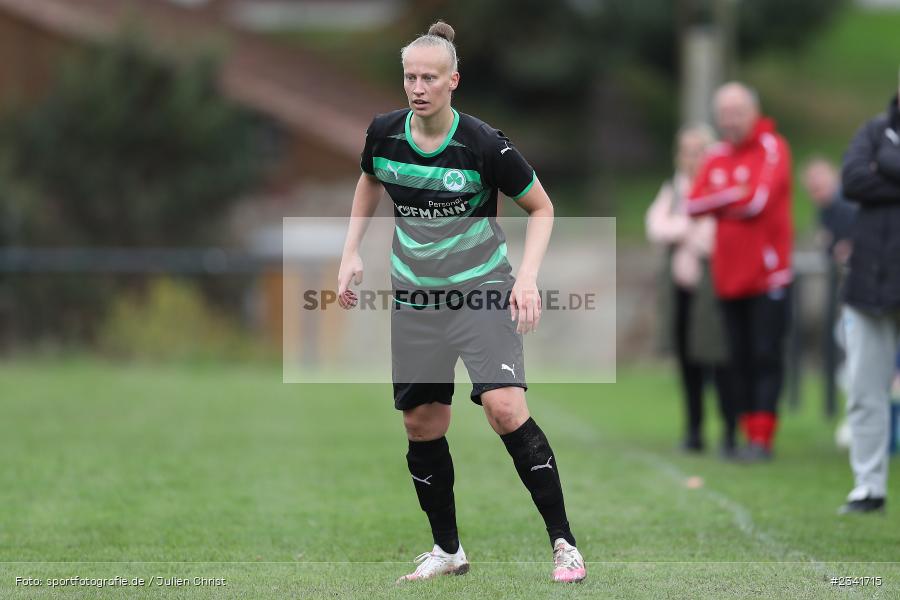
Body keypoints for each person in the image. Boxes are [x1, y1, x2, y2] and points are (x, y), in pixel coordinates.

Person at [336, 21, 586, 582]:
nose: (417, 87)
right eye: (409, 77)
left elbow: (541, 208)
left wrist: (526, 278)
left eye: (429, 77)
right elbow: (368, 178)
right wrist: (351, 251)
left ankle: (564, 544)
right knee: (423, 423)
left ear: (453, 80)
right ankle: (448, 551)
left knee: (504, 408)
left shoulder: (483, 143)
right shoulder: (384, 134)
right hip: (415, 299)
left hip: (481, 290)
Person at [687, 82, 794, 462]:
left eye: (738, 112)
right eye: (725, 113)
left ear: (754, 112)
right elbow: (692, 203)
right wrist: (736, 193)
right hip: (728, 276)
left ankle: (762, 439)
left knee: (765, 354)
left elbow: (759, 202)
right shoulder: (715, 156)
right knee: (738, 357)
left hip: (768, 276)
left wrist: (723, 200)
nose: (731, 120)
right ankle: (747, 435)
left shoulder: (772, 147)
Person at [646, 124, 736, 456]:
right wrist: (687, 226)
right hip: (681, 288)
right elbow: (655, 225)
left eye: (700, 150)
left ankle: (730, 430)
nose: (693, 157)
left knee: (720, 357)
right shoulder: (675, 187)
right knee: (687, 361)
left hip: (714, 288)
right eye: (687, 150)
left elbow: (714, 239)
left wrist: (685, 229)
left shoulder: (720, 187)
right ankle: (694, 430)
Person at [837, 89, 900, 514]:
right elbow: (853, 179)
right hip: (869, 286)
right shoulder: (874, 130)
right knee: (865, 389)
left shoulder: (882, 145)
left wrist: (888, 168)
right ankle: (868, 487)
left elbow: (871, 179)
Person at [800, 158, 857, 445]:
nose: (817, 193)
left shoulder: (848, 205)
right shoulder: (826, 211)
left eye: (820, 185)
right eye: (812, 188)